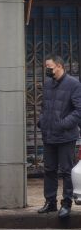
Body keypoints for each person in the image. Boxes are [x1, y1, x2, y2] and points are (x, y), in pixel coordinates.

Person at [37, 55, 81, 219]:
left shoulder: (73, 84)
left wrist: (62, 124)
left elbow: (78, 110)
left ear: (59, 66)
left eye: (49, 66)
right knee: (49, 169)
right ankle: (50, 202)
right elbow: (44, 107)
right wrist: (42, 121)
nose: (47, 69)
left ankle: (67, 203)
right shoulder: (48, 84)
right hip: (49, 135)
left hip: (65, 136)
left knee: (66, 170)